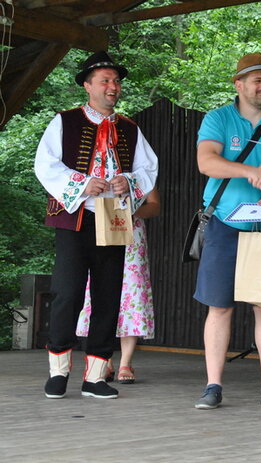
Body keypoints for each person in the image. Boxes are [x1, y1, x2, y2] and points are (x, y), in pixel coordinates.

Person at [34, 51, 159, 399]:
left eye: (116, 81)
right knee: (67, 293)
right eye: (105, 80)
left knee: (108, 297)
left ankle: (95, 376)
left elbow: (148, 170)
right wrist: (80, 183)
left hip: (114, 218)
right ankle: (58, 372)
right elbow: (45, 165)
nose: (113, 87)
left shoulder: (130, 129)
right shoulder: (66, 121)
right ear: (88, 86)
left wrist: (129, 184)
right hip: (75, 218)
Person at [193, 52, 261, 410]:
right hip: (224, 222)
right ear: (238, 85)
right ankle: (212, 386)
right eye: (256, 80)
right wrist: (250, 172)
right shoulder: (218, 118)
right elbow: (205, 161)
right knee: (219, 307)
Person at [76, 188, 160, 384]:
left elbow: (155, 206)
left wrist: (132, 211)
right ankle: (104, 361)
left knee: (133, 293)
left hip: (131, 233)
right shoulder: (99, 170)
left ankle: (125, 362)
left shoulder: (140, 172)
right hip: (102, 229)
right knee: (101, 291)